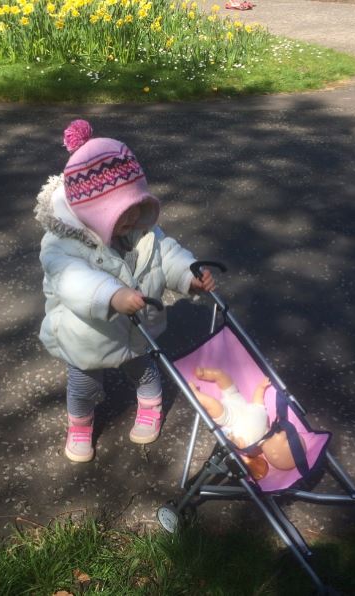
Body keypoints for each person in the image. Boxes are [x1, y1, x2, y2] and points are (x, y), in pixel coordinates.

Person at [35, 120, 215, 463]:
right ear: (93, 212)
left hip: (138, 328)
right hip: (86, 336)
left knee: (143, 368)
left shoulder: (140, 229)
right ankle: (80, 424)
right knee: (84, 384)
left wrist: (189, 276)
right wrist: (112, 295)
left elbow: (167, 254)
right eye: (122, 214)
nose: (133, 221)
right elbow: (74, 281)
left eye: (138, 209)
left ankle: (150, 404)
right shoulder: (60, 245)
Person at [189, 367, 307, 479]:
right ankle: (204, 373)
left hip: (227, 416)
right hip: (237, 398)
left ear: (274, 454)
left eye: (287, 437)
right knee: (223, 376)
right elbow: (258, 402)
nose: (287, 430)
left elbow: (238, 443)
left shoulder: (252, 445)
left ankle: (194, 393)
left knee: (211, 403)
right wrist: (261, 387)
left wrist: (233, 439)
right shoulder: (266, 421)